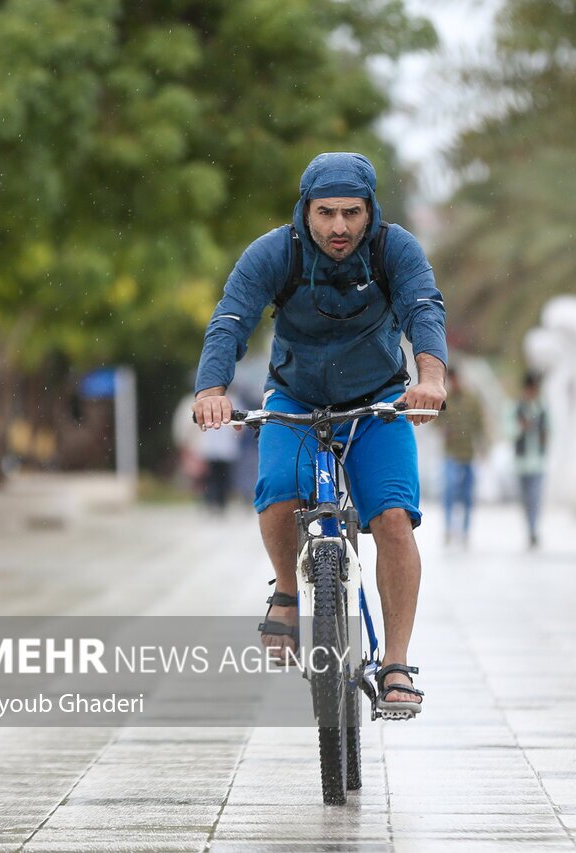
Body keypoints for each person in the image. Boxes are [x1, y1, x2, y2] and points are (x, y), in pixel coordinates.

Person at [192, 152, 446, 717]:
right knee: (278, 488)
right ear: (305, 210)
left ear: (370, 210)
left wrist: (431, 377)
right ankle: (287, 589)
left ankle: (397, 663)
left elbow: (423, 308)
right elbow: (231, 319)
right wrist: (212, 388)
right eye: (325, 212)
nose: (338, 227)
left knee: (394, 518)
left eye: (352, 213)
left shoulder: (394, 249)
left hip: (379, 400)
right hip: (296, 398)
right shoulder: (274, 253)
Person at [437, 367, 486, 546]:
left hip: (468, 453)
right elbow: (436, 420)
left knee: (467, 494)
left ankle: (465, 530)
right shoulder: (445, 399)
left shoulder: (472, 399)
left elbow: (480, 423)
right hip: (451, 453)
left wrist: (483, 447)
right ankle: (449, 528)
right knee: (449, 491)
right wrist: (443, 429)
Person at [514, 371, 547, 547]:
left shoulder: (542, 407)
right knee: (526, 499)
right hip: (521, 462)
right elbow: (509, 431)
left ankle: (533, 529)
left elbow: (549, 430)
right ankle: (529, 527)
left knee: (535, 497)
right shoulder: (517, 407)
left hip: (538, 462)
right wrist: (520, 428)